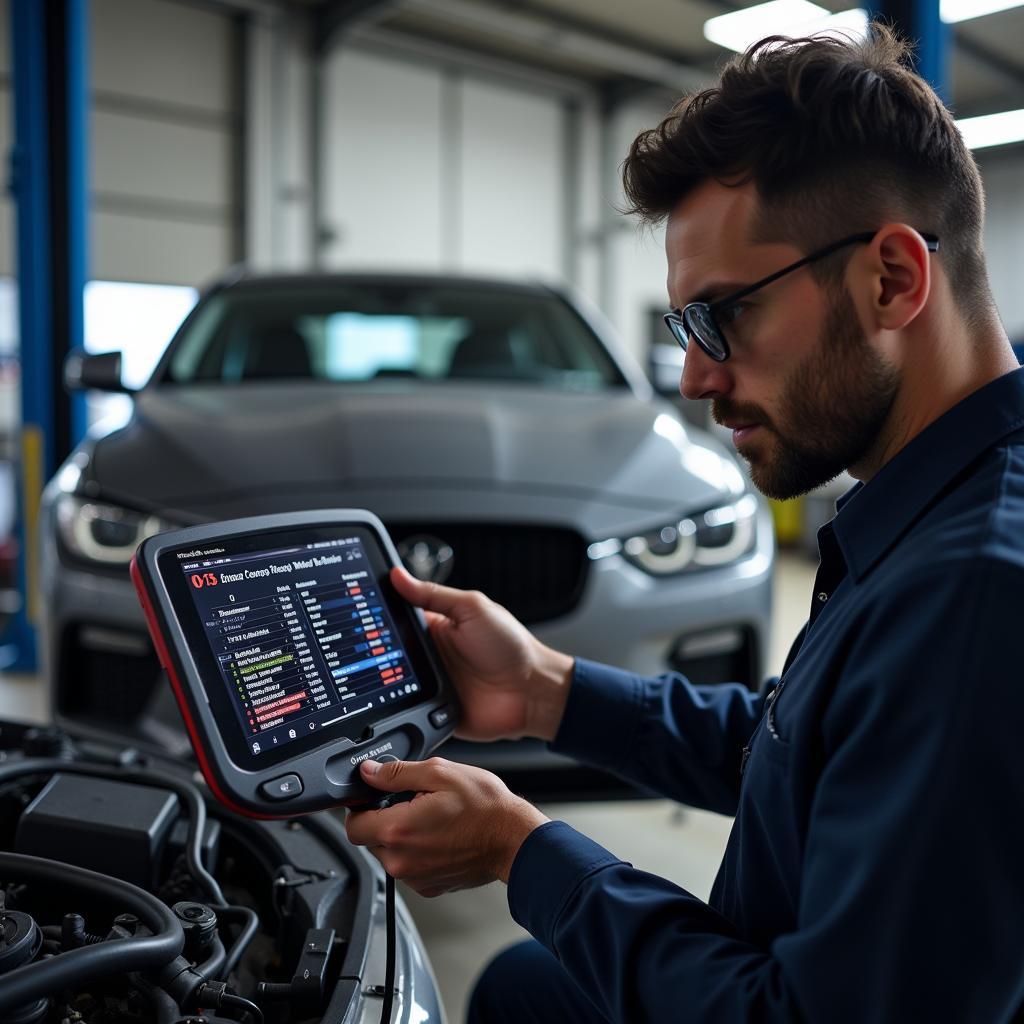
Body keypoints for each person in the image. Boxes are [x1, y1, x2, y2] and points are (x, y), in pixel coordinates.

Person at [345, 25, 1024, 1023]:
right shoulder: (940, 504)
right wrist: (549, 690)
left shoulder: (973, 593)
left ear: (891, 279)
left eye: (725, 316)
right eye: (682, 330)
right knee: (525, 988)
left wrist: (522, 852)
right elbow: (809, 747)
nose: (697, 377)